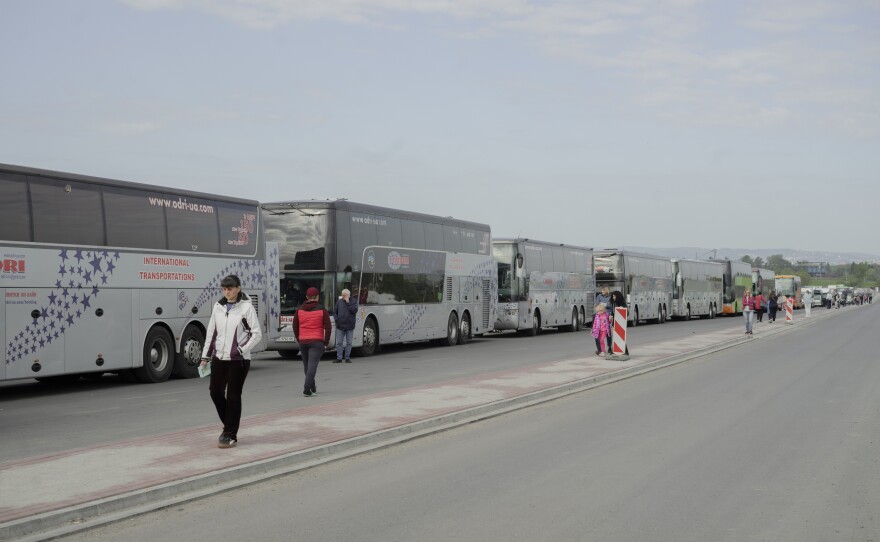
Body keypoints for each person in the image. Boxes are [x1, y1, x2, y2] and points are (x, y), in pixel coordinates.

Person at [200, 274, 262, 449]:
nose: (227, 292)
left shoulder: (246, 308)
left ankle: (230, 434)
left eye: (230, 288)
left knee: (234, 396)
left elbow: (256, 334)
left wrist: (241, 350)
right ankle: (229, 425)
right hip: (219, 357)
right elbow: (211, 332)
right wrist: (205, 356)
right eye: (224, 289)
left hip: (238, 360)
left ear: (238, 288)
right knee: (215, 392)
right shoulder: (218, 307)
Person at [292, 286, 331, 397]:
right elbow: (328, 327)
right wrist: (326, 342)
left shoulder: (299, 310)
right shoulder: (322, 310)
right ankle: (307, 389)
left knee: (307, 366)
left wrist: (299, 338)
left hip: (303, 341)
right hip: (316, 341)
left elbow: (295, 326)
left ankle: (312, 387)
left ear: (307, 297)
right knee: (312, 365)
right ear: (317, 297)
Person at [333, 288, 358, 363]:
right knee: (339, 343)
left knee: (349, 342)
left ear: (348, 295)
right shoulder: (339, 302)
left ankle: (347, 357)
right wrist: (336, 319)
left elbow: (354, 311)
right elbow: (335, 311)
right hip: (340, 326)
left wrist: (348, 303)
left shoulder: (354, 301)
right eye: (342, 295)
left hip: (350, 325)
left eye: (344, 295)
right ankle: (339, 358)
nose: (343, 296)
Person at [609, 290, 629, 355]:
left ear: (618, 296)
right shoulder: (613, 303)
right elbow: (613, 311)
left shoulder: (622, 302)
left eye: (614, 296)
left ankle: (625, 350)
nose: (613, 298)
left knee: (620, 336)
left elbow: (626, 311)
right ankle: (614, 350)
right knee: (615, 336)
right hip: (615, 321)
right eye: (613, 296)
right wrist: (611, 315)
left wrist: (621, 308)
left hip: (620, 321)